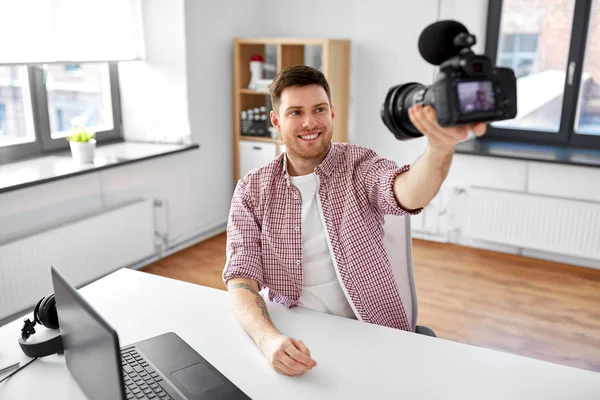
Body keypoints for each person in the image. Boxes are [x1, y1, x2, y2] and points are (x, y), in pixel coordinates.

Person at [222, 65, 487, 377]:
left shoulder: (360, 165)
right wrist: (268, 341)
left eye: (319, 109)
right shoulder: (252, 189)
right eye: (295, 112)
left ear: (332, 114)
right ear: (277, 121)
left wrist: (439, 149)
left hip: (371, 329)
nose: (310, 122)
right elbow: (240, 279)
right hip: (296, 330)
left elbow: (407, 192)